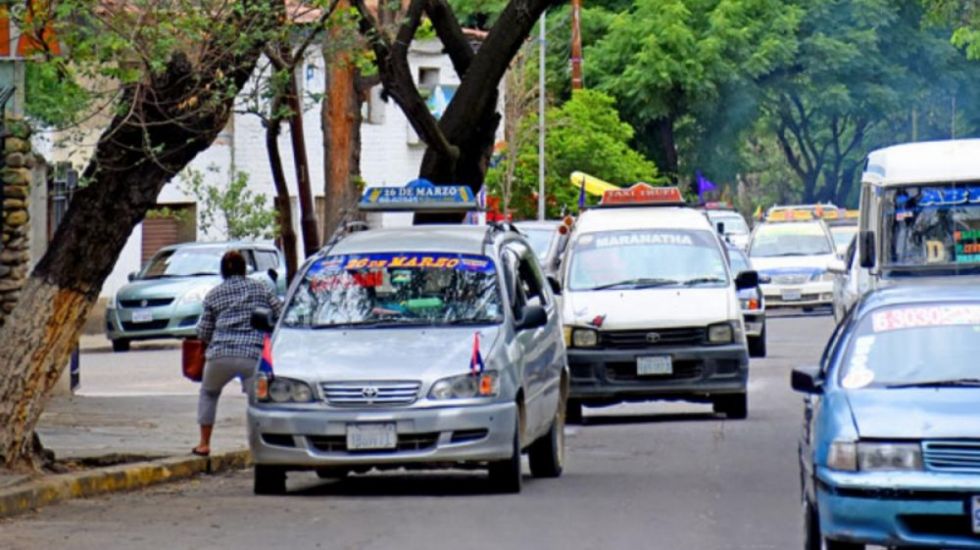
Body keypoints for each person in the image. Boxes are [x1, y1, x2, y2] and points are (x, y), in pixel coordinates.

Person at [193, 250, 283, 457]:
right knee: (257, 403)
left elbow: (204, 331)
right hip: (252, 355)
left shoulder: (214, 294)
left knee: (208, 393)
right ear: (245, 269)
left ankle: (204, 443)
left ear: (222, 271)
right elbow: (278, 313)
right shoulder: (260, 288)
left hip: (219, 355)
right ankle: (259, 447)